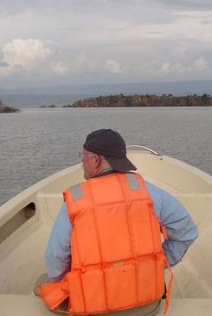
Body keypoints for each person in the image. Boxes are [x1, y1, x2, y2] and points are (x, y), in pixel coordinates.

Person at [37, 129, 198, 315]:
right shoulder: (150, 193)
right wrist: (157, 263)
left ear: (96, 160)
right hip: (148, 306)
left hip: (93, 308)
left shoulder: (75, 200)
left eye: (83, 156)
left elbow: (55, 258)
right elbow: (186, 233)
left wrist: (70, 279)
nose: (82, 163)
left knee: (43, 282)